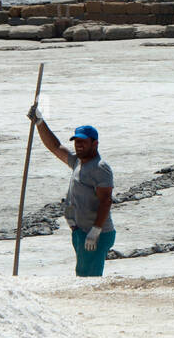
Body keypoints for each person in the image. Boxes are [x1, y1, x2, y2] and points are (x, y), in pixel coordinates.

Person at [26, 108, 115, 276]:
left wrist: (95, 230)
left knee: (89, 277)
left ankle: (92, 303)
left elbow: (106, 201)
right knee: (82, 273)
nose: (78, 145)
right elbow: (55, 146)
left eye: (83, 142)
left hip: (97, 233)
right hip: (81, 231)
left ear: (95, 144)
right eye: (76, 142)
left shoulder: (100, 168)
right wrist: (40, 122)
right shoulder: (77, 162)